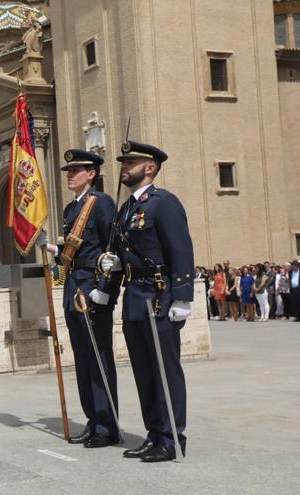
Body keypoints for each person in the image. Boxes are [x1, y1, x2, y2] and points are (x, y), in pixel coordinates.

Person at [100, 140, 194, 463]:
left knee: (165, 370)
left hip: (158, 296)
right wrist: (113, 267)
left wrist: (182, 296)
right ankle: (154, 434)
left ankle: (172, 437)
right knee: (143, 371)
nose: (124, 166)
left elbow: (180, 249)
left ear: (150, 167)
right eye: (123, 162)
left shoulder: (163, 203)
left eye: (131, 162)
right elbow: (125, 250)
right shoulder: (125, 209)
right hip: (134, 299)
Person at [44, 149, 119, 448]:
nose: (69, 174)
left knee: (99, 358)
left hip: (91, 291)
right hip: (72, 289)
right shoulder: (69, 210)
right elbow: (68, 257)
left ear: (92, 174)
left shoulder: (100, 204)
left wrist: (104, 290)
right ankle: (93, 420)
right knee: (83, 360)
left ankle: (108, 426)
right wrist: (50, 250)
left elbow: (112, 251)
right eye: (67, 170)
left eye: (76, 170)